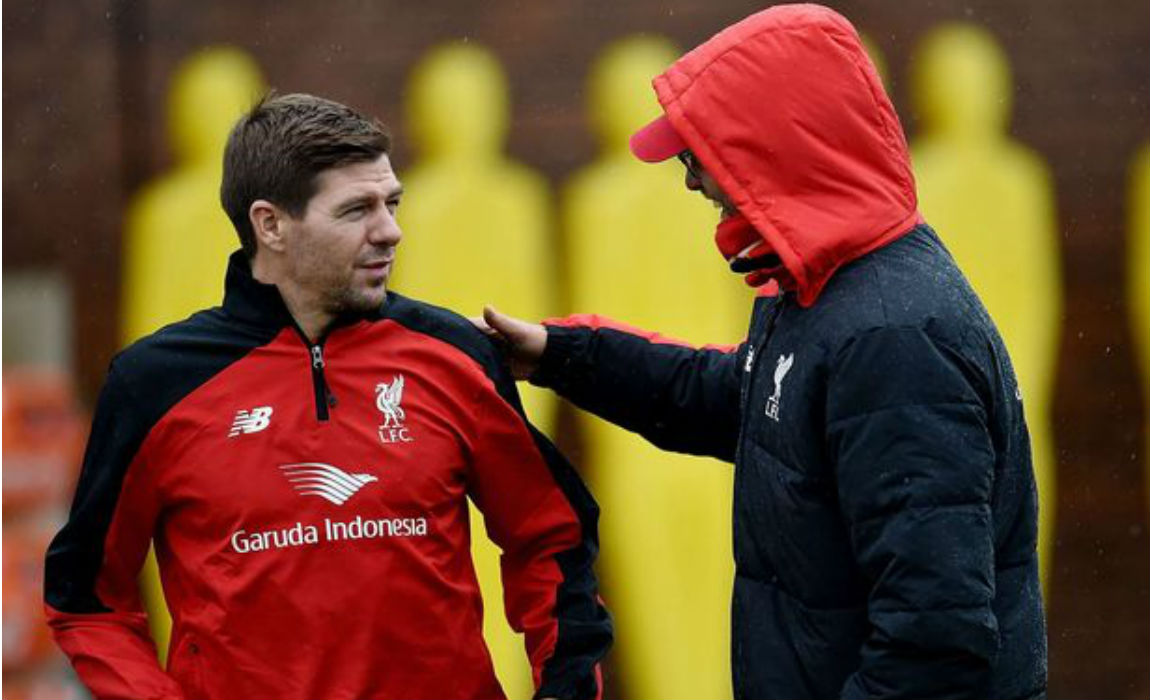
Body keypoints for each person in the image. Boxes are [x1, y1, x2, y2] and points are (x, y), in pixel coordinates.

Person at [479, 5, 1047, 699]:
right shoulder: (827, 289)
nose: (690, 180)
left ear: (776, 147)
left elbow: (933, 643)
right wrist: (559, 355)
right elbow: (741, 401)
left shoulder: (893, 340)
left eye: (701, 154)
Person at [44, 92, 612, 700]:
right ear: (271, 225)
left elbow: (550, 536)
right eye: (355, 210)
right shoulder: (154, 382)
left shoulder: (453, 354)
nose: (390, 232)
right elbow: (87, 598)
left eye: (391, 203)